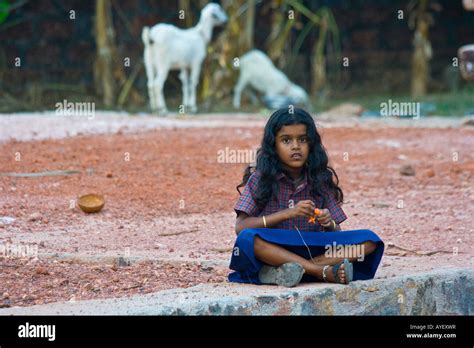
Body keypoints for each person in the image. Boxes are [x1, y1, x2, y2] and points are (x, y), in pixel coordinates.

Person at [228, 107, 384, 287]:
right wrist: (288, 213)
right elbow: (241, 227)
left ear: (311, 144)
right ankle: (321, 272)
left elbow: (336, 233)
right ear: (273, 146)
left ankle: (293, 270)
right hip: (273, 249)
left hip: (315, 249)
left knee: (370, 240)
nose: (296, 146)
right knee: (248, 239)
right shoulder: (260, 179)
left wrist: (328, 222)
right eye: (286, 140)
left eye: (302, 140)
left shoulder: (320, 177)